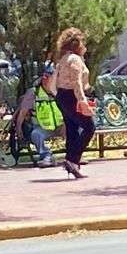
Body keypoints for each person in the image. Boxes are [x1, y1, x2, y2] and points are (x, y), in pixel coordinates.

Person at [53, 28, 95, 178]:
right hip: (72, 96)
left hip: (62, 96)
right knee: (89, 127)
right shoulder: (75, 59)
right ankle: (72, 159)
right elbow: (76, 82)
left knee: (72, 128)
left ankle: (72, 163)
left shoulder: (64, 59)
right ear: (77, 44)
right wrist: (82, 101)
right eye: (82, 43)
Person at [11, 69, 57, 168]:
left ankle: (74, 156)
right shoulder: (33, 93)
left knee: (78, 129)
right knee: (36, 134)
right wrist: (18, 128)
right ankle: (46, 156)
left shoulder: (59, 91)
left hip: (60, 125)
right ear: (44, 79)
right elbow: (23, 112)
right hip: (42, 127)